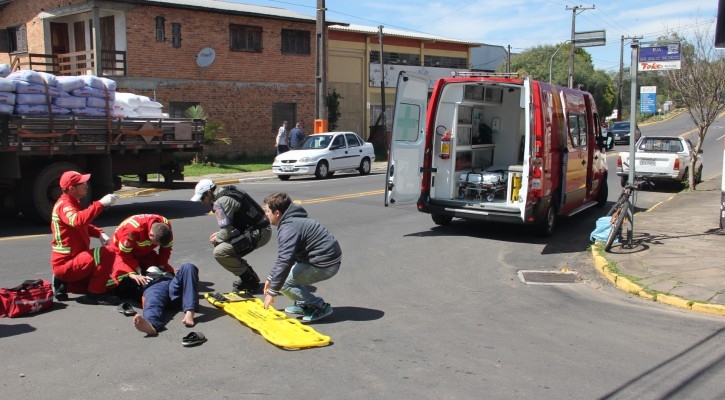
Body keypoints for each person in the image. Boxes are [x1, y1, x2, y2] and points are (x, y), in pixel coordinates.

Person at [262, 192, 341, 322]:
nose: (266, 214)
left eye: (267, 211)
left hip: (325, 264)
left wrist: (272, 292)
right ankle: (302, 302)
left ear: (277, 213)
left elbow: (285, 261)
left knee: (283, 284)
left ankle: (319, 306)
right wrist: (271, 277)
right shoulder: (293, 218)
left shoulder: (288, 228)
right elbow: (286, 258)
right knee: (284, 277)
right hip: (323, 259)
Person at [50, 170, 119, 305]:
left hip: (75, 261)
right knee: (108, 253)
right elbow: (77, 220)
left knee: (112, 284)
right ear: (71, 189)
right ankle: (94, 295)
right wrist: (100, 204)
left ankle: (66, 284)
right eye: (82, 183)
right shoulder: (65, 205)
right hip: (66, 264)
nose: (86, 185)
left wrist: (98, 233)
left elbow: (83, 225)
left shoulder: (72, 201)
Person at [191, 179, 272, 293]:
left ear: (209, 192)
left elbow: (226, 232)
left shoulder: (221, 202)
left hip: (259, 233)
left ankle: (249, 280)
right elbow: (231, 227)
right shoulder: (226, 191)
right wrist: (220, 235)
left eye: (202, 198)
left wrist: (217, 238)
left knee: (220, 252)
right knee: (224, 245)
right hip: (258, 229)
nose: (202, 202)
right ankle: (249, 275)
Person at [129, 263, 200, 336]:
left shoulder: (168, 273)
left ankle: (190, 311)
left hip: (174, 288)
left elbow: (191, 277)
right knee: (153, 297)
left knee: (188, 266)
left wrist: (183, 272)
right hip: (155, 286)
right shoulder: (143, 276)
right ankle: (151, 325)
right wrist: (132, 275)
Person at [109, 214, 175, 288]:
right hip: (120, 252)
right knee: (127, 277)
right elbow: (124, 253)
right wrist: (138, 270)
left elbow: (166, 250)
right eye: (156, 243)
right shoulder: (132, 231)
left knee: (168, 272)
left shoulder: (165, 227)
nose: (157, 245)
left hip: (144, 251)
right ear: (151, 235)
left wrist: (161, 267)